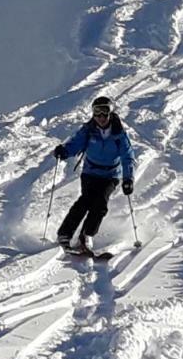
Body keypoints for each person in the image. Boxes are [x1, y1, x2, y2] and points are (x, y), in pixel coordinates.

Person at [51, 96, 135, 253]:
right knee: (86, 201)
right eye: (97, 112)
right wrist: (64, 151)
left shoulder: (119, 134)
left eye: (105, 112)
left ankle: (86, 235)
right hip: (90, 172)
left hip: (110, 174)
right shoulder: (88, 130)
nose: (101, 117)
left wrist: (128, 178)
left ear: (110, 114)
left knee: (100, 203)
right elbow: (76, 143)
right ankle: (65, 233)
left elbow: (127, 156)